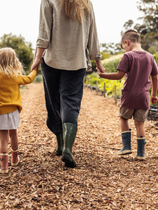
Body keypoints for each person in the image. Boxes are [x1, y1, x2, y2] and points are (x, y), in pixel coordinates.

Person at [31, 0, 106, 168]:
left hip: (52, 61)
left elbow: (44, 31)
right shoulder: (86, 2)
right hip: (77, 61)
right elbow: (93, 33)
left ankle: (60, 143)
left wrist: (37, 58)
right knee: (70, 103)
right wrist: (97, 60)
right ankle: (67, 148)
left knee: (54, 102)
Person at [96, 29, 158, 160]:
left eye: (124, 47)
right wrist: (153, 94)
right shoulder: (150, 57)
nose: (125, 50)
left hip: (129, 96)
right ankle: (141, 153)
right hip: (143, 97)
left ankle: (126, 147)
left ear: (127, 42)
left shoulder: (128, 56)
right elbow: (155, 77)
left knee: (124, 118)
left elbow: (119, 76)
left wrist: (102, 75)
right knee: (140, 123)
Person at [0, 48, 37, 173]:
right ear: (14, 62)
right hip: (13, 111)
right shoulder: (15, 76)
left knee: (3, 139)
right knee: (13, 133)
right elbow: (29, 79)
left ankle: (4, 167)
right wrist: (34, 70)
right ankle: (15, 159)